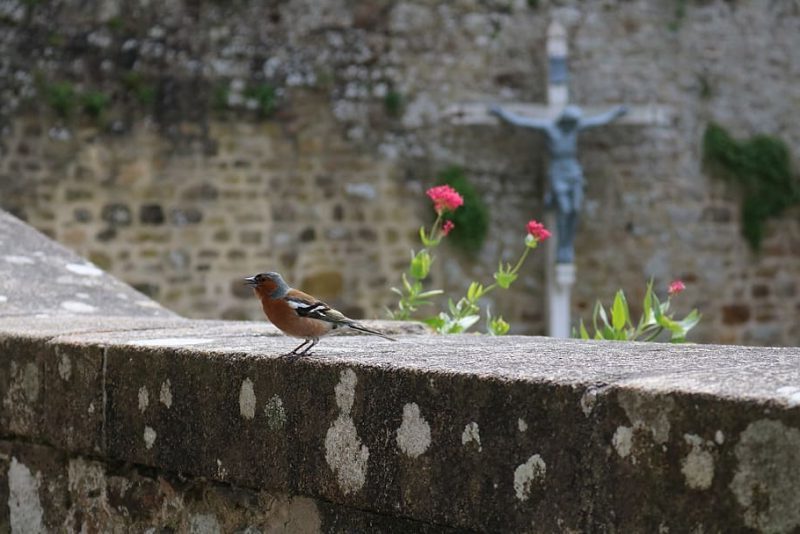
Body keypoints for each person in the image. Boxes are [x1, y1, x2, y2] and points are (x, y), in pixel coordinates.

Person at [489, 103, 627, 263]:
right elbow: (523, 122)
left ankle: (567, 244)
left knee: (575, 208)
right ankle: (562, 245)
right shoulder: (549, 128)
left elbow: (597, 121)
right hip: (558, 172)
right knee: (564, 208)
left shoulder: (575, 128)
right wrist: (503, 114)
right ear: (565, 121)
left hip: (573, 172)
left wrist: (616, 113)